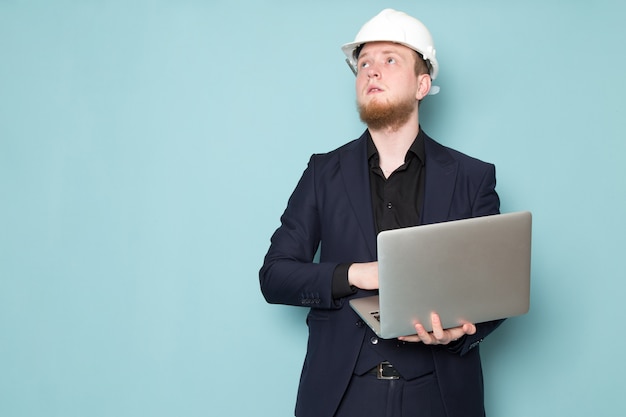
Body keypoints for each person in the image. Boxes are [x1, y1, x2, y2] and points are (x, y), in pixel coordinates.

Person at [260, 8, 503, 417]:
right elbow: (275, 275)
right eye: (364, 63)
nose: (372, 71)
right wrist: (355, 273)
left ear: (422, 84)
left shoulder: (472, 177)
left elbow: (496, 290)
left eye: (390, 60)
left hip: (439, 397)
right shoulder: (322, 172)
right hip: (340, 396)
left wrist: (461, 334)